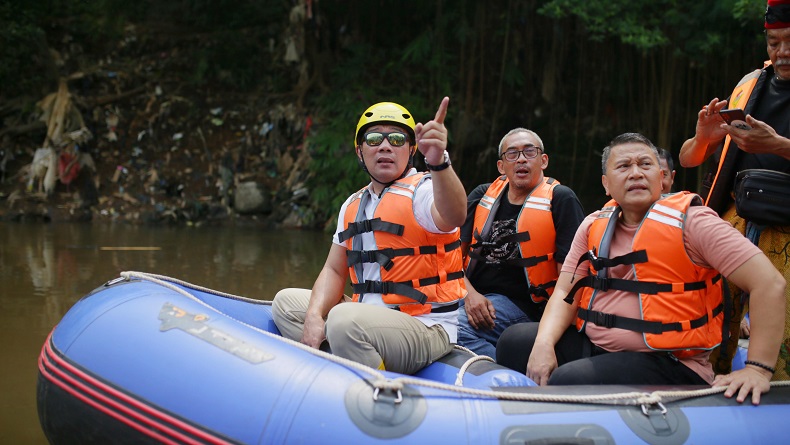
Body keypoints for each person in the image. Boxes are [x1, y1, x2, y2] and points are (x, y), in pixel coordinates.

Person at [497, 133, 785, 405]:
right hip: (601, 346)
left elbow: (769, 283)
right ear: (606, 184)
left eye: (645, 164)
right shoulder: (594, 224)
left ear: (662, 178)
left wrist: (758, 369)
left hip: (669, 361)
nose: (636, 173)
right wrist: (545, 344)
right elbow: (564, 290)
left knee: (568, 379)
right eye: (623, 166)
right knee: (515, 341)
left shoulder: (695, 223)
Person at [272, 97, 469, 375]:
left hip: (425, 326)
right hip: (365, 318)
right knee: (285, 303)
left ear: (412, 149)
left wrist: (439, 162)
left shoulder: (424, 191)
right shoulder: (352, 204)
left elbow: (455, 215)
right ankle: (343, 358)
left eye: (397, 139)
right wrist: (314, 317)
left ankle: (376, 386)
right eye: (375, 139)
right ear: (360, 151)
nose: (386, 146)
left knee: (342, 321)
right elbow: (333, 270)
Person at [679, 0, 790, 380]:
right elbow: (688, 159)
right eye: (774, 42)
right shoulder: (749, 85)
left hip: (786, 233)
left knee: (781, 345)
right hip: (734, 221)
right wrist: (703, 138)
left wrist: (778, 145)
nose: (783, 52)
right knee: (711, 330)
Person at [457, 128, 585, 357]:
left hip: (524, 306)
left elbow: (571, 277)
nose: (522, 159)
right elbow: (451, 257)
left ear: (543, 160)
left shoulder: (561, 198)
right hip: (471, 296)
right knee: (427, 320)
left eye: (529, 152)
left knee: (454, 329)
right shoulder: (482, 195)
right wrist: (470, 295)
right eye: (512, 154)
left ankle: (505, 380)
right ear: (501, 166)